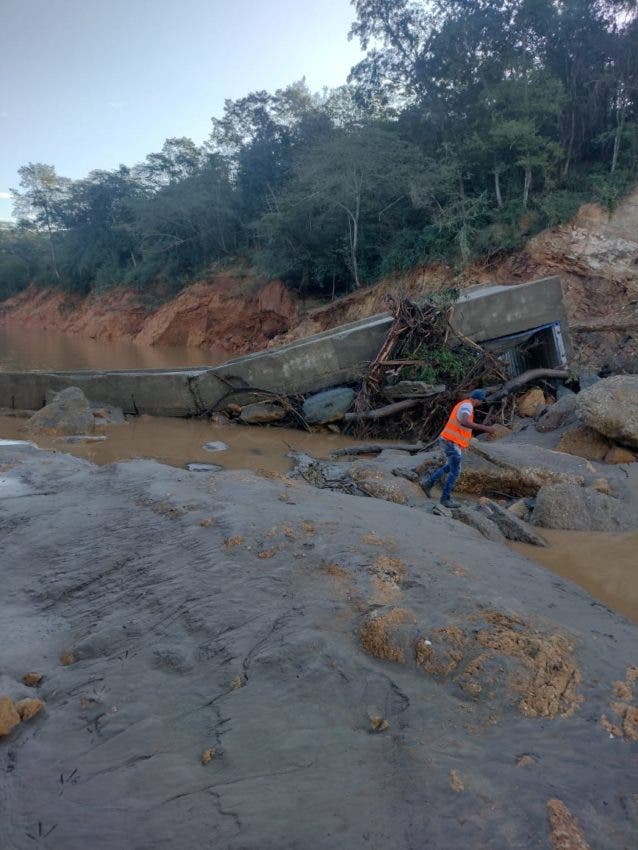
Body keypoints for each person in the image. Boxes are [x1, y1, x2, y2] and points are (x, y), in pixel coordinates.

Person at [420, 389, 496, 508]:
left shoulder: (463, 404)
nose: (481, 403)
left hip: (449, 440)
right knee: (455, 472)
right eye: (481, 401)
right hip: (451, 442)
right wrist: (485, 428)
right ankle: (445, 498)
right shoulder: (467, 406)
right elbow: (465, 421)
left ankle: (428, 484)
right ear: (477, 399)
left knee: (449, 466)